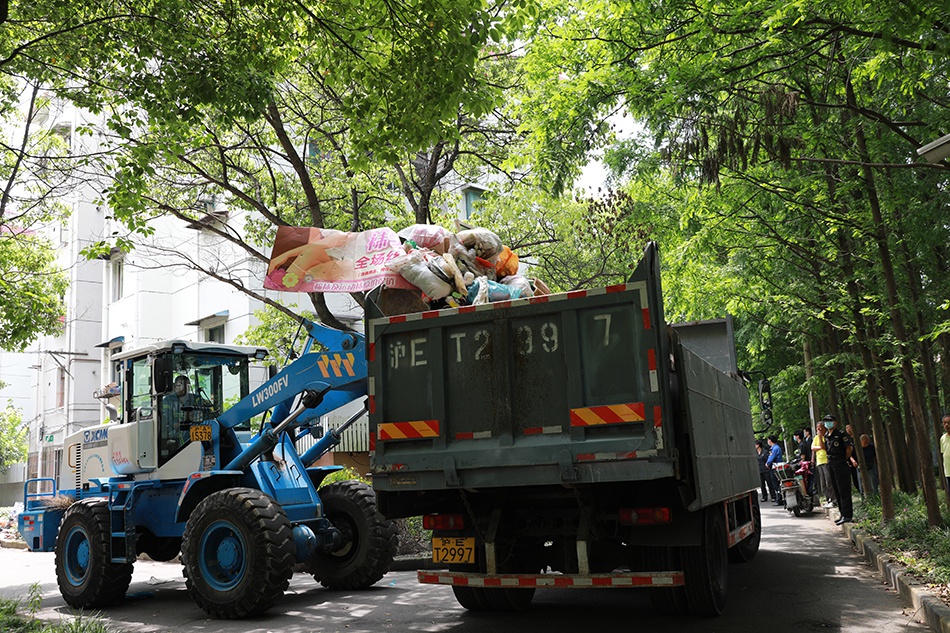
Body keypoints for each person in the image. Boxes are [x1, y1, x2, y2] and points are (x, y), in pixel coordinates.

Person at [820, 414, 853, 525]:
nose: (827, 423)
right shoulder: (827, 435)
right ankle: (842, 514)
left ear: (835, 422)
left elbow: (849, 448)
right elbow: (824, 448)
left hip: (840, 462)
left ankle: (847, 515)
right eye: (825, 421)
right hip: (831, 462)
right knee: (836, 489)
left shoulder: (840, 434)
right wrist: (820, 436)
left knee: (843, 489)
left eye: (829, 421)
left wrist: (843, 459)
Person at [162, 375, 197, 448]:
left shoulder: (196, 399)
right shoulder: (168, 400)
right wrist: (175, 424)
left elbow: (204, 414)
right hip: (173, 434)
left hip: (193, 433)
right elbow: (166, 418)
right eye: (179, 385)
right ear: (175, 386)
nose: (182, 388)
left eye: (185, 386)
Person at [812, 424, 834, 506]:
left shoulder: (826, 437)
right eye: (817, 427)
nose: (818, 429)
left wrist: (821, 438)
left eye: (820, 427)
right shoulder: (815, 438)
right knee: (823, 483)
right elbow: (812, 448)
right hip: (819, 462)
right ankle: (828, 499)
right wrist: (819, 447)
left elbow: (823, 447)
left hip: (826, 461)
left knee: (829, 481)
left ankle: (833, 500)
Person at [766, 435, 784, 505]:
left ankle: (779, 499)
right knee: (777, 483)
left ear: (770, 440)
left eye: (768, 440)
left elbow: (771, 458)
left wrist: (767, 464)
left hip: (775, 467)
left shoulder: (774, 448)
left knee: (775, 484)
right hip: (777, 467)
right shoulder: (776, 447)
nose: (768, 441)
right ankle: (780, 498)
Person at [846, 423, 860, 491]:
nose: (848, 429)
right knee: (855, 480)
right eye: (846, 428)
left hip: (860, 460)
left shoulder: (858, 438)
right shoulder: (847, 440)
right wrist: (852, 460)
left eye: (849, 427)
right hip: (852, 463)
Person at [940, 416, 950, 494]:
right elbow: (943, 453)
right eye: (945, 423)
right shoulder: (942, 438)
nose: (947, 425)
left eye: (949, 423)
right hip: (948, 472)